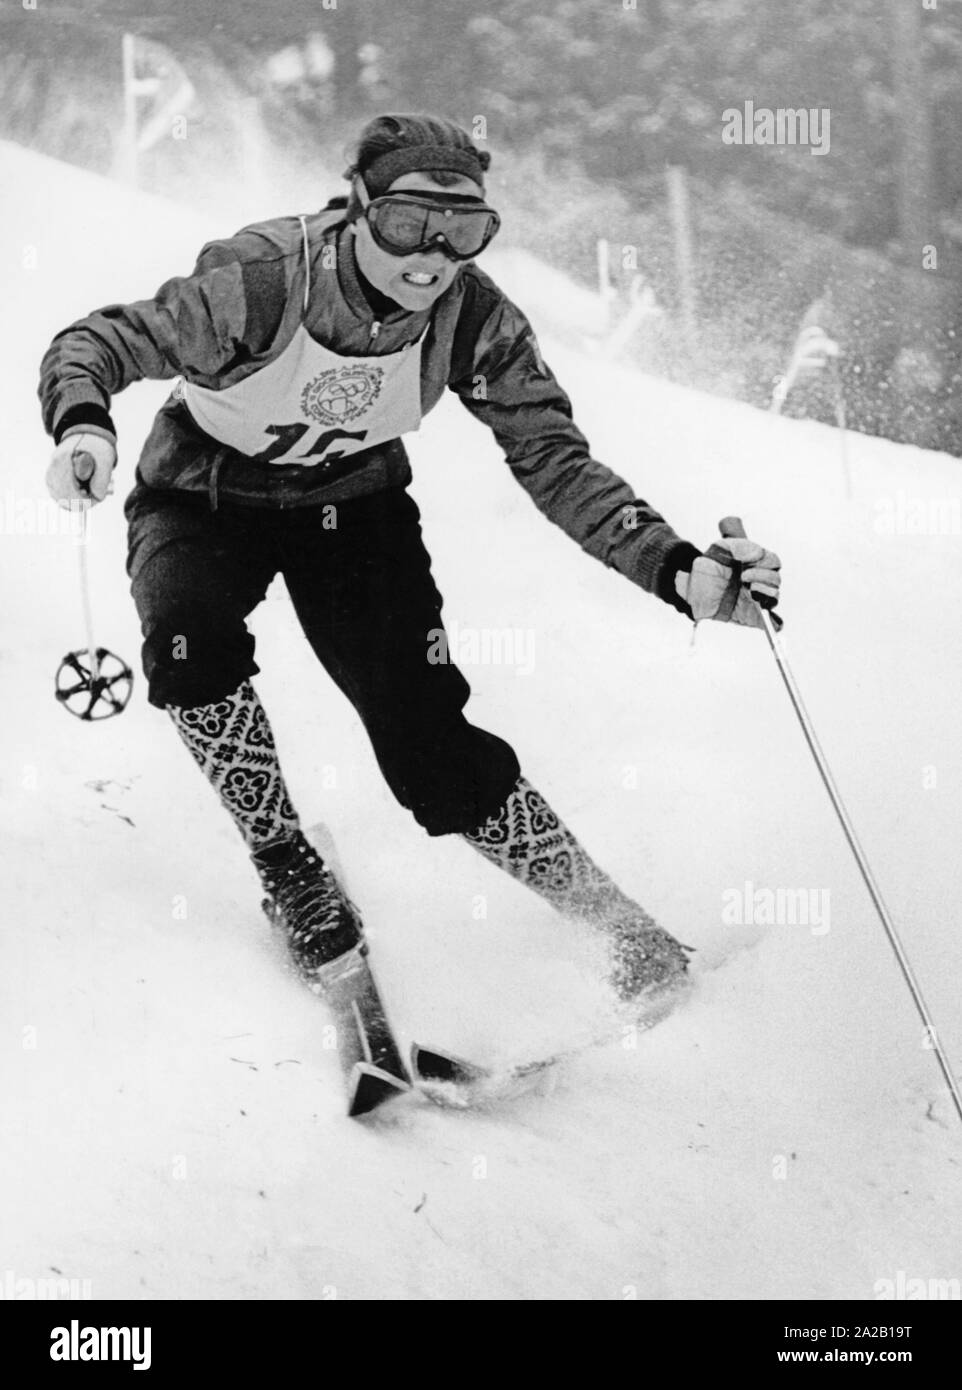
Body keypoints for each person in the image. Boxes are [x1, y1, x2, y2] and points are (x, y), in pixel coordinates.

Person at [39, 112, 781, 1004]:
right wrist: (85, 425)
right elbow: (98, 341)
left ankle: (615, 924)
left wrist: (677, 567)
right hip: (205, 496)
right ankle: (289, 871)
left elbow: (555, 460)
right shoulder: (261, 280)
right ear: (357, 209)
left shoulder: (472, 319)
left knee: (426, 740)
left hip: (350, 511)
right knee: (189, 644)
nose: (431, 257)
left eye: (464, 232)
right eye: (406, 223)